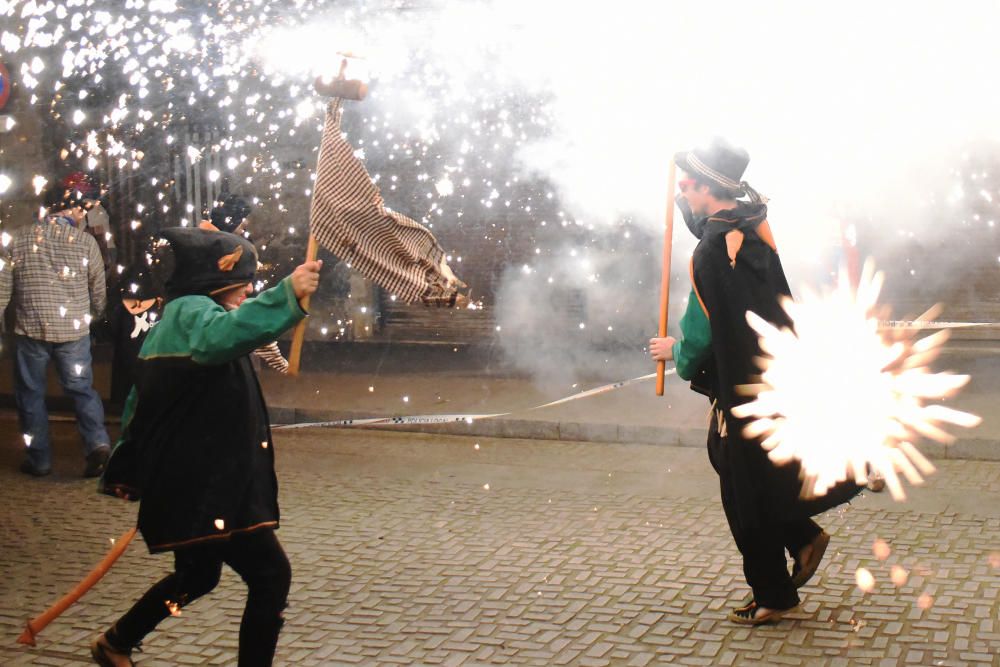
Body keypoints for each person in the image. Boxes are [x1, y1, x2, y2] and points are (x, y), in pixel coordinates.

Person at [649, 139, 861, 625]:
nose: (682, 187)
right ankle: (803, 539)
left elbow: (703, 331)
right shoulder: (751, 228)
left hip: (743, 388)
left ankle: (773, 593)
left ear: (709, 187)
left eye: (689, 183)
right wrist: (682, 187)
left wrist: (675, 352)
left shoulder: (709, 253)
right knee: (751, 475)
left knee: (743, 493)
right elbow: (709, 224)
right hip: (776, 378)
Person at [92, 226, 321, 667]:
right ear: (213, 281)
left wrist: (129, 465)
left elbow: (145, 406)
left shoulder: (194, 312)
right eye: (243, 282)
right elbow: (225, 335)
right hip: (200, 486)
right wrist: (286, 294)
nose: (249, 289)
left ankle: (116, 641)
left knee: (197, 576)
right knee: (271, 575)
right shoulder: (189, 314)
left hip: (210, 484)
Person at [0, 183, 111, 477]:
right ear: (73, 209)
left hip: (30, 328)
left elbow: (2, 290)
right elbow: (98, 289)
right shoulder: (85, 242)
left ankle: (40, 460)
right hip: (74, 330)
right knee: (82, 390)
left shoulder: (19, 239)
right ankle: (98, 446)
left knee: (31, 394)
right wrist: (94, 316)